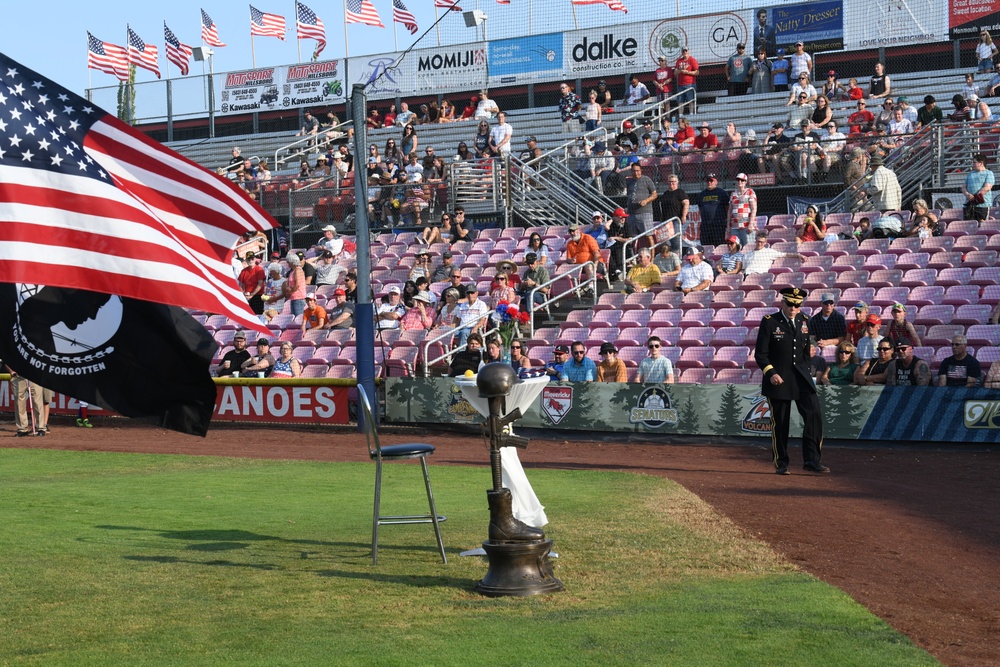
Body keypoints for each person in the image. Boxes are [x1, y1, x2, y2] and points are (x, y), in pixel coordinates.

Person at [754, 287, 827, 474]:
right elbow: (761, 355)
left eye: (797, 305)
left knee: (814, 416)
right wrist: (771, 373)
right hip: (779, 380)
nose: (793, 308)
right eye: (790, 304)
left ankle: (811, 460)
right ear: (782, 303)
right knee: (781, 422)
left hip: (801, 378)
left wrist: (807, 372)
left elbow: (805, 354)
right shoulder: (769, 322)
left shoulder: (805, 321)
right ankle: (781, 462)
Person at [626, 162, 658, 238]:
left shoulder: (647, 179)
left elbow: (655, 194)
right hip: (632, 213)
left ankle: (652, 250)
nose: (636, 173)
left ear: (641, 170)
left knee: (648, 235)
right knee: (633, 237)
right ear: (631, 171)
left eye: (637, 170)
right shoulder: (629, 182)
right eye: (634, 171)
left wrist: (646, 201)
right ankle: (636, 250)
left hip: (645, 212)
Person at [565, 222, 601, 290]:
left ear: (578, 230)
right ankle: (572, 289)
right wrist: (571, 260)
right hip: (578, 267)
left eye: (573, 231)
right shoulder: (569, 243)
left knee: (588, 264)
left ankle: (591, 285)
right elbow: (568, 259)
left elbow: (596, 253)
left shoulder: (588, 238)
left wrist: (595, 265)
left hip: (594, 264)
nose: (572, 233)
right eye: (570, 231)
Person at [696, 174, 728, 246]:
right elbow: (700, 208)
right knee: (705, 246)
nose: (709, 182)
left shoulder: (722, 193)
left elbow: (727, 208)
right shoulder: (702, 194)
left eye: (711, 180)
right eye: (707, 181)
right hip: (706, 227)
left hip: (718, 226)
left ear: (716, 182)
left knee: (719, 247)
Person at [963, 152, 995, 221]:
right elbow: (963, 187)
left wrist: (975, 197)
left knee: (982, 226)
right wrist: (968, 194)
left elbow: (987, 187)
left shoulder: (989, 173)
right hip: (969, 206)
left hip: (982, 206)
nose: (973, 164)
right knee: (967, 225)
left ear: (981, 163)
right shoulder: (970, 174)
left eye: (974, 162)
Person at [659, 175, 690, 245]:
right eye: (670, 182)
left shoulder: (680, 192)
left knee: (676, 239)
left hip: (676, 220)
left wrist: (684, 215)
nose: (671, 183)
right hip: (666, 221)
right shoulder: (665, 194)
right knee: (666, 241)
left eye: (673, 181)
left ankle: (677, 253)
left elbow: (686, 203)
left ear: (677, 182)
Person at [728, 173, 757, 244]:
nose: (740, 182)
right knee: (736, 247)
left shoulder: (750, 192)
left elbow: (754, 209)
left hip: (746, 226)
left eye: (742, 180)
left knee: (748, 247)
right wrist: (728, 226)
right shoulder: (733, 194)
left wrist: (751, 224)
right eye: (738, 180)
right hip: (734, 226)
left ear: (745, 182)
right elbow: (729, 211)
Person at [237, 252, 266, 317]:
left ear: (255, 259)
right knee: (247, 316)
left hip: (258, 296)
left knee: (258, 316)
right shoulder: (244, 271)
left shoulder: (259, 270)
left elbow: (260, 284)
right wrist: (244, 294)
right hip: (247, 296)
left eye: (252, 258)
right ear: (246, 260)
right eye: (249, 259)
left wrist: (252, 294)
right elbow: (240, 285)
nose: (251, 260)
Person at [674, 47, 699, 115]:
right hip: (680, 84)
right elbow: (675, 72)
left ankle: (691, 113)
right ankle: (680, 115)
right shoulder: (679, 61)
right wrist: (680, 70)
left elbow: (697, 72)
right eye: (683, 52)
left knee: (691, 100)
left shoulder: (692, 60)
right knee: (680, 101)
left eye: (686, 51)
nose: (685, 53)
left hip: (690, 84)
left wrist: (687, 72)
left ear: (688, 52)